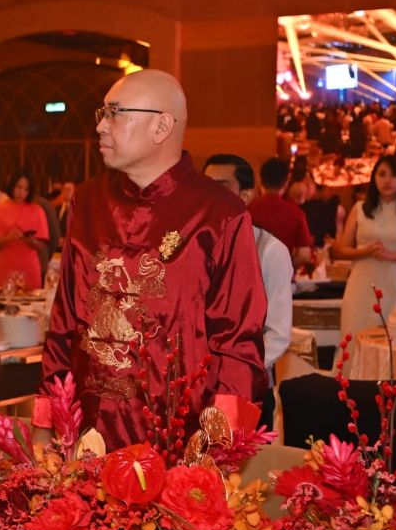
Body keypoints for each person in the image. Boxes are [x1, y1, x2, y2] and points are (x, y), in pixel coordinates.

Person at [40, 69, 268, 444]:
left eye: (115, 113)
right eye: (102, 113)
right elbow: (64, 320)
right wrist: (49, 420)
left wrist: (219, 448)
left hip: (179, 438)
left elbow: (238, 344)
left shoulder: (219, 214)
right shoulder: (88, 202)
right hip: (86, 434)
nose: (100, 126)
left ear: (161, 126)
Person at [204, 154, 294, 426]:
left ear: (246, 195)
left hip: (247, 389)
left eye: (221, 187)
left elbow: (278, 333)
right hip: (197, 387)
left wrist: (236, 372)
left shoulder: (270, 250)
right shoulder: (192, 246)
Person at [332, 155, 396, 347]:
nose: (387, 181)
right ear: (374, 177)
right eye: (382, 174)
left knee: (394, 345)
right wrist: (364, 252)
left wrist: (394, 255)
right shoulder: (360, 208)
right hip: (362, 286)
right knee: (355, 342)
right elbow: (340, 250)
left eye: (393, 175)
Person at [0, 171, 52, 290]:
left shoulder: (37, 211)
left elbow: (42, 245)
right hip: (6, 264)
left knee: (32, 298)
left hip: (29, 265)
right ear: (12, 186)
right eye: (19, 187)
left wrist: (32, 241)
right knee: (5, 297)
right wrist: (8, 238)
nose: (21, 192)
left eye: (26, 189)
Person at [249, 156, 316, 271]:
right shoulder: (296, 214)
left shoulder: (246, 210)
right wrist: (285, 266)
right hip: (282, 278)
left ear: (259, 179)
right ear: (286, 182)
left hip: (250, 276)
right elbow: (304, 255)